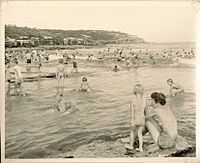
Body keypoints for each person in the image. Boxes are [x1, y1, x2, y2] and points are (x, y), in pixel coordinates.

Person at [125, 84, 146, 152]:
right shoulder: (144, 99)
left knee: (131, 132)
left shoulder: (133, 99)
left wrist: (132, 120)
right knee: (139, 133)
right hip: (142, 118)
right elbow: (145, 110)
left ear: (135, 91)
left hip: (136, 118)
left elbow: (132, 112)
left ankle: (131, 146)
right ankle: (140, 148)